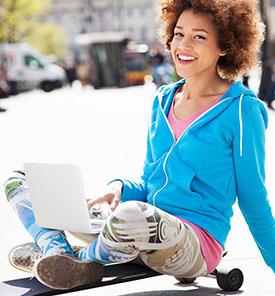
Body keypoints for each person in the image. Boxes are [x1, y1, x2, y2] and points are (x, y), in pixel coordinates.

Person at [4, 0, 275, 290]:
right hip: (134, 234)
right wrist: (118, 188)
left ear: (225, 46)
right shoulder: (163, 101)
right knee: (19, 182)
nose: (183, 45)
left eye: (199, 36)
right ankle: (57, 251)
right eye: (179, 34)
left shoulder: (242, 111)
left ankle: (75, 259)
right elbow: (149, 181)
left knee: (133, 214)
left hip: (193, 242)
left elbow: (253, 199)